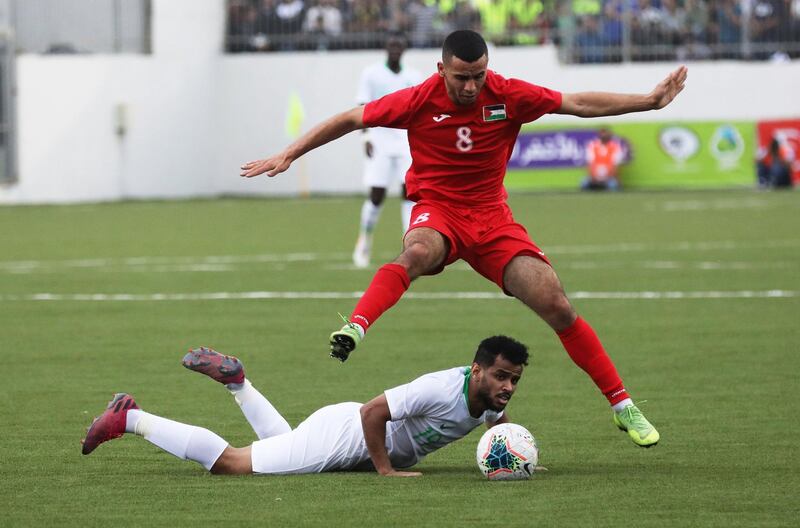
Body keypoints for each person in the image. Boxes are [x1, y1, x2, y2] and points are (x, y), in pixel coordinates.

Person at [241, 29, 688, 448]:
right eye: (462, 78)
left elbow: (575, 102)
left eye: (478, 76)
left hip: (493, 220)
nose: (472, 87)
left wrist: (647, 102)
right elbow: (351, 118)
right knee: (416, 251)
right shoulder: (417, 99)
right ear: (441, 70)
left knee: (557, 303)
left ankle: (622, 405)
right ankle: (356, 325)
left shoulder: (508, 93)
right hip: (440, 211)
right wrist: (289, 152)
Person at [81, 338, 530, 477]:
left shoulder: (486, 396)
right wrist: (386, 471)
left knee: (285, 446)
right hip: (347, 435)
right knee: (233, 465)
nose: (507, 386)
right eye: (500, 376)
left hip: (342, 435)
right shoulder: (438, 388)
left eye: (514, 378)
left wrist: (512, 452)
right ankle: (131, 418)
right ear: (476, 370)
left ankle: (239, 384)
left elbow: (496, 420)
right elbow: (374, 412)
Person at [353, 33, 422, 268]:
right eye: (391, 45)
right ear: (386, 47)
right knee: (377, 194)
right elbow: (362, 105)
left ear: (404, 49)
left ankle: (410, 243)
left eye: (399, 46)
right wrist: (365, 137)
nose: (395, 49)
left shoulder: (413, 76)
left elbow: (420, 110)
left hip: (404, 140)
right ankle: (364, 239)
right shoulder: (371, 73)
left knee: (409, 191)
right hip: (380, 138)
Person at [581, 127, 624, 191]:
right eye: (602, 133)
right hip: (594, 177)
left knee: (613, 186)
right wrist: (593, 177)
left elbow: (615, 166)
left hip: (609, 177)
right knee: (584, 183)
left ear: (609, 135)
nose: (604, 136)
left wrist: (609, 177)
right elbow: (590, 164)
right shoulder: (592, 146)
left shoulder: (615, 147)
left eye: (606, 134)